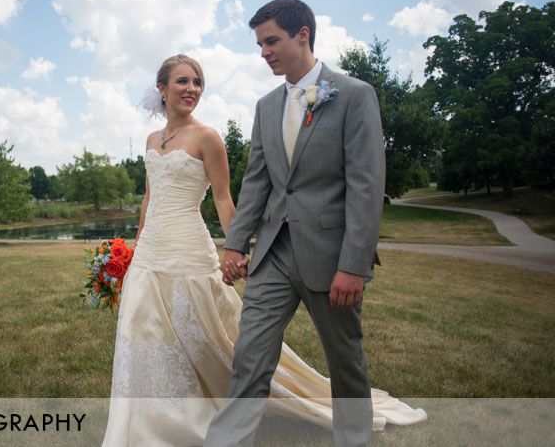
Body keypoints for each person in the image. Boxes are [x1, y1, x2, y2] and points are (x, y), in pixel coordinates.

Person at [102, 53, 425, 446]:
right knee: (145, 334)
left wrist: (235, 247)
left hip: (189, 249)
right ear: (162, 89)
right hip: (150, 252)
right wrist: (134, 248)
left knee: (211, 337)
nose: (191, 89)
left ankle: (208, 410)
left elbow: (224, 198)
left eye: (197, 82)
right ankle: (146, 417)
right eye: (183, 82)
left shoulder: (208, 138)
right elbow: (149, 198)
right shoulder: (153, 140)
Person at [203, 0, 400, 447]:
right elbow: (257, 183)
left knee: (344, 359)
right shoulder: (266, 106)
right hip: (273, 251)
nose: (264, 52)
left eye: (271, 41)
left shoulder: (354, 95)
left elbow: (367, 186)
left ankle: (353, 439)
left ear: (303, 35)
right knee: (250, 354)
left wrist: (353, 265)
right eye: (260, 44)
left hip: (331, 256)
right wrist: (235, 244)